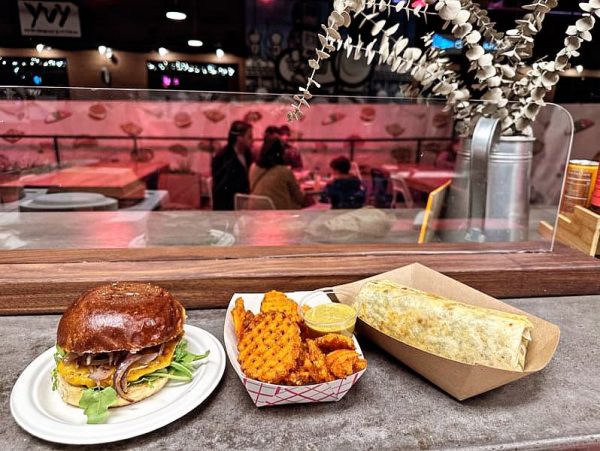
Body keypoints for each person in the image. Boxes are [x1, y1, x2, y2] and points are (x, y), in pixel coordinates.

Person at [249, 137, 306, 209]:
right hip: (279, 213)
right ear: (280, 153)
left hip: (255, 211)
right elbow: (300, 198)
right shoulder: (284, 171)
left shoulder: (253, 168)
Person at [211, 121, 254, 210]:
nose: (252, 140)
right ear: (239, 138)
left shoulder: (248, 155)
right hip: (227, 205)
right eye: (249, 137)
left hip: (244, 202)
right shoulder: (223, 157)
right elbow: (221, 186)